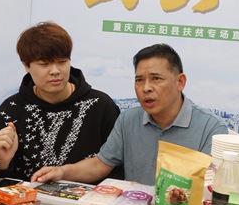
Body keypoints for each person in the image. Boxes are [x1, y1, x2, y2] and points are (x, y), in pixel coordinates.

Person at [31, 43, 228, 186]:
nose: (146, 88)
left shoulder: (211, 129)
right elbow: (100, 165)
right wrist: (61, 171)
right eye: (139, 80)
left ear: (180, 82)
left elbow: (211, 189)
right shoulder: (129, 119)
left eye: (156, 79)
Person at [0, 22, 123, 181]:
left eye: (62, 62)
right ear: (26, 65)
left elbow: (116, 169)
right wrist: (3, 162)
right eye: (44, 64)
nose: (55, 71)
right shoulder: (10, 111)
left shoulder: (101, 106)